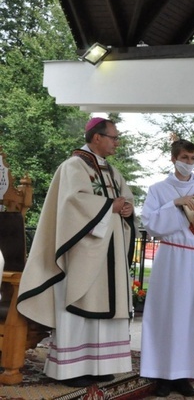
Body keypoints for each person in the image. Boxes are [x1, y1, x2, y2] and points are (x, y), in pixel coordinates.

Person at [17, 117, 137, 387]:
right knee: (78, 303)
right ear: (97, 138)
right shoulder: (74, 166)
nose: (117, 142)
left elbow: (124, 199)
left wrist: (127, 210)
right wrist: (110, 207)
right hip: (82, 253)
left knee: (105, 307)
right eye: (113, 137)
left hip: (110, 253)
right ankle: (71, 369)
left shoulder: (111, 171)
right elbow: (72, 203)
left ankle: (100, 365)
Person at [140, 138, 194, 397]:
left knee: (189, 316)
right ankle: (161, 376)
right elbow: (151, 223)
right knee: (165, 314)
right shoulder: (158, 189)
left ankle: (183, 375)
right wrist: (176, 204)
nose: (189, 163)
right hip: (170, 257)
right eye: (184, 158)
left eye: (192, 158)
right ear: (173, 158)